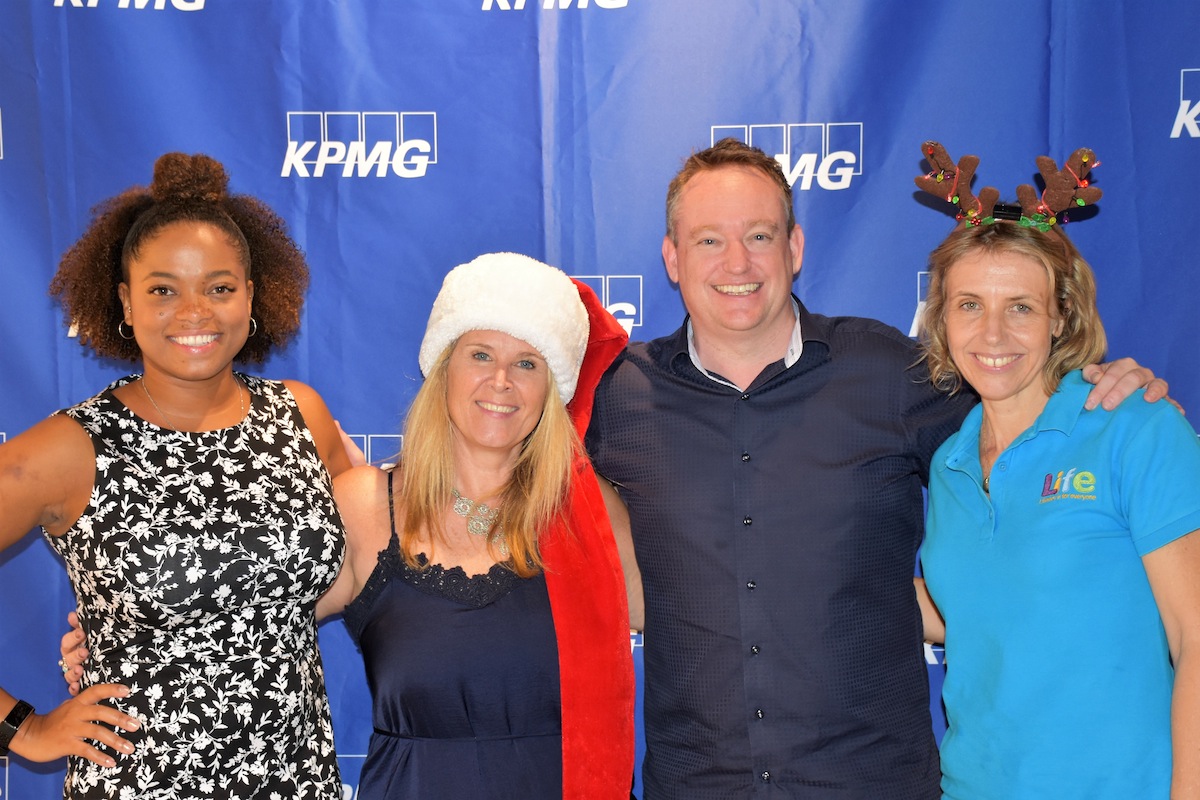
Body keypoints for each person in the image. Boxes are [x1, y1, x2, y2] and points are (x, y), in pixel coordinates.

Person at [583, 138, 1168, 799]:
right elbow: (522, 476)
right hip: (696, 785)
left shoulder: (888, 372)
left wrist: (1103, 396)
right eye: (709, 240)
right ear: (672, 258)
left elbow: (1030, 425)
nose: (737, 262)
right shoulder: (618, 397)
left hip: (874, 782)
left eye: (759, 236)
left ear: (795, 248)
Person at [0, 152, 351, 798]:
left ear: (252, 296)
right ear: (125, 303)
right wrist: (22, 728)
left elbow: (370, 563)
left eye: (219, 288)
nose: (195, 312)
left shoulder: (301, 416)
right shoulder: (72, 449)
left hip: (296, 779)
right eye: (163, 290)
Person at [912, 146, 1200, 798]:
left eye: (1020, 306)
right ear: (941, 318)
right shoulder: (950, 465)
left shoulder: (1134, 427)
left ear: (1060, 316)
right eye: (969, 305)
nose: (992, 334)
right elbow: (978, 602)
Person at [316, 253, 638, 798]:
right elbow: (247, 627)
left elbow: (693, 629)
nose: (501, 381)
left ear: (552, 391)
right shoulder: (364, 507)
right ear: (444, 368)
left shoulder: (588, 513)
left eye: (527, 363)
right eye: (481, 354)